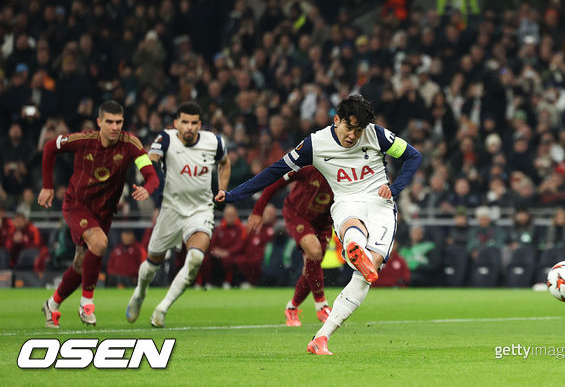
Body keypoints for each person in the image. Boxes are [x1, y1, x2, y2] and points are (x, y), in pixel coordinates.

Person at [215, 94, 422, 355]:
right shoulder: (315, 144)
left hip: (380, 203)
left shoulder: (376, 134)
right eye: (349, 127)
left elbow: (413, 156)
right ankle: (353, 248)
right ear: (337, 120)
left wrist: (395, 188)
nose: (353, 136)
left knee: (369, 273)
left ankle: (321, 338)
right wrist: (233, 194)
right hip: (346, 201)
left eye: (359, 131)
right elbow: (275, 171)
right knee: (353, 232)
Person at [39, 100, 159, 328]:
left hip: (104, 212)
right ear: (99, 122)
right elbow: (49, 148)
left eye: (119, 122)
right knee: (100, 242)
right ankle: (87, 304)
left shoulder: (131, 143)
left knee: (80, 264)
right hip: (77, 204)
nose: (115, 127)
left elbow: (151, 175)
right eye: (110, 122)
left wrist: (147, 188)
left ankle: (52, 304)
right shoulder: (83, 140)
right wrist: (47, 186)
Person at [126, 101, 230, 327]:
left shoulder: (214, 142)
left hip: (200, 209)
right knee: (153, 262)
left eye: (194, 123)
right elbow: (150, 161)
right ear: (176, 123)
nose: (189, 127)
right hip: (171, 209)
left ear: (200, 125)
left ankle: (162, 308)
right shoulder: (165, 139)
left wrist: (222, 189)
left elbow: (225, 163)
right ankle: (140, 293)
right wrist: (151, 183)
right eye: (185, 122)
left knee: (195, 258)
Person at [247, 165, 334, 327]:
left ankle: (292, 308)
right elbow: (275, 183)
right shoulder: (308, 167)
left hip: (324, 222)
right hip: (297, 214)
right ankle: (322, 305)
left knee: (310, 269)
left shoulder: (347, 171)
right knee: (314, 253)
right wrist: (258, 210)